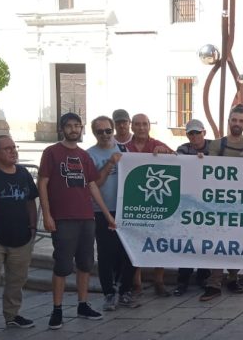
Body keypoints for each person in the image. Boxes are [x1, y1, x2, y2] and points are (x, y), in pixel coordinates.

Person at [39, 112, 116, 329]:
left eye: (77, 126)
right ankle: (57, 309)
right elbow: (42, 183)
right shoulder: (52, 152)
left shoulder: (84, 156)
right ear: (61, 129)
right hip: (63, 218)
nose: (73, 129)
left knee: (85, 264)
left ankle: (83, 304)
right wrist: (46, 214)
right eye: (69, 126)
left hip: (86, 217)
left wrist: (107, 215)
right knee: (62, 265)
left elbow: (92, 185)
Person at [201, 105, 243, 301]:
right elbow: (210, 168)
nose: (237, 124)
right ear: (229, 122)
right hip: (219, 205)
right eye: (234, 120)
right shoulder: (216, 144)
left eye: (241, 121)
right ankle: (213, 283)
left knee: (237, 242)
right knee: (217, 242)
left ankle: (232, 278)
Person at [0, 135, 38, 340]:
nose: (13, 151)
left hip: (22, 237)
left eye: (15, 147)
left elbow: (30, 201)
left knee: (17, 280)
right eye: (7, 149)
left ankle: (12, 315)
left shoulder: (23, 173)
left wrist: (33, 227)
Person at [86, 115, 140, 310]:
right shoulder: (89, 155)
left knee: (130, 252)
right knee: (106, 254)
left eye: (108, 131)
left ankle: (125, 290)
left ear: (113, 131)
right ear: (94, 133)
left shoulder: (126, 150)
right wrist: (109, 164)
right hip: (102, 210)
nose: (105, 135)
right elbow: (95, 184)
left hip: (127, 210)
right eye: (100, 131)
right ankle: (109, 292)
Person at [124, 113, 174, 297]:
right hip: (134, 203)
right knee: (135, 242)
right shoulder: (125, 148)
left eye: (144, 124)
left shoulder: (157, 145)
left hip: (156, 203)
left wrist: (167, 153)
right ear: (132, 127)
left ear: (149, 126)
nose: (141, 127)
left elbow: (178, 160)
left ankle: (158, 281)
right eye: (137, 124)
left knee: (158, 242)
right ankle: (136, 282)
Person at [173, 119, 212, 296]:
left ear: (204, 132)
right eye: (191, 133)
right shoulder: (182, 149)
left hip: (209, 202)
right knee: (186, 241)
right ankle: (183, 280)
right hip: (188, 202)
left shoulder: (214, 146)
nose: (194, 136)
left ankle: (204, 277)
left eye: (197, 132)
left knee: (206, 241)